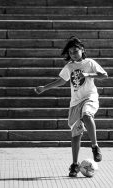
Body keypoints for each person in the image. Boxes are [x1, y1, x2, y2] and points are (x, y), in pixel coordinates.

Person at [34, 36, 108, 177]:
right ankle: (74, 165)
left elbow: (104, 75)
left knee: (87, 114)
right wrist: (44, 88)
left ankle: (95, 146)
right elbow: (61, 81)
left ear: (82, 50)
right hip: (75, 103)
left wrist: (88, 74)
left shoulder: (90, 63)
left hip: (89, 97)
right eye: (71, 52)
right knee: (76, 134)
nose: (73, 54)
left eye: (75, 50)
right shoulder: (69, 66)